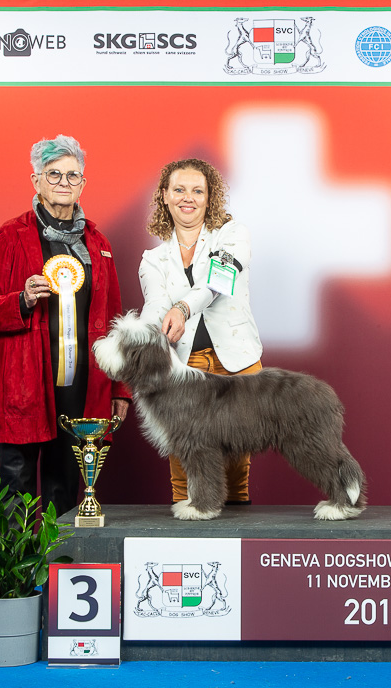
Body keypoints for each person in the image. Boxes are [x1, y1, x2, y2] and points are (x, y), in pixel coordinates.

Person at [0, 134, 131, 516]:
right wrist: (21, 300)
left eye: (72, 175)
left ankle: (61, 555)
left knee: (66, 487)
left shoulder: (99, 243)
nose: (63, 182)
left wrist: (120, 388)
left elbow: (115, 322)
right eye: (54, 174)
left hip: (82, 385)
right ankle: (17, 558)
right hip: (26, 383)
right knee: (17, 484)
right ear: (36, 181)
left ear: (83, 183)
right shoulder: (10, 236)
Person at [139, 158, 262, 504]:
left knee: (236, 467)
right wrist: (144, 337)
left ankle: (236, 525)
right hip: (183, 364)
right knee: (184, 459)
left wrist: (181, 308)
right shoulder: (152, 259)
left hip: (236, 361)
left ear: (209, 198)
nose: (187, 198)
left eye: (197, 191)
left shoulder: (233, 234)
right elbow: (155, 306)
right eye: (179, 190)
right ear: (165, 196)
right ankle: (186, 519)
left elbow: (218, 281)